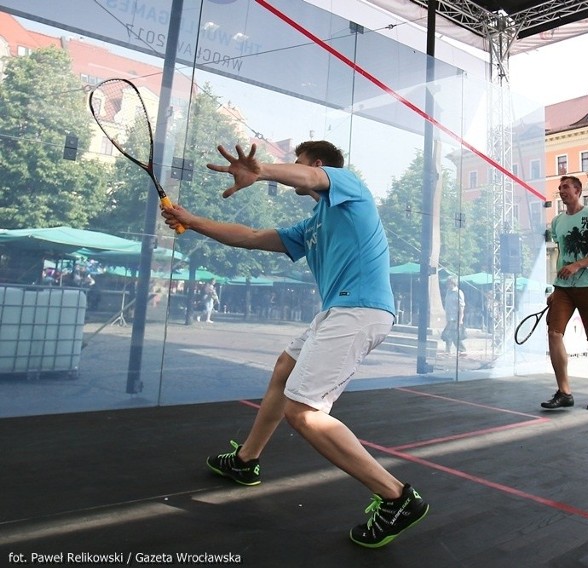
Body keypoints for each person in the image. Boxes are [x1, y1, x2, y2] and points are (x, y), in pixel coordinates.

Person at [161, 141, 428, 548]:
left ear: (318, 165)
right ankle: (245, 462)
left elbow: (308, 177)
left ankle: (396, 497)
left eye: (298, 162)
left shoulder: (348, 185)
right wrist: (192, 220)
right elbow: (250, 237)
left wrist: (261, 171)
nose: (296, 168)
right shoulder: (315, 223)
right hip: (337, 313)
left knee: (303, 412)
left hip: (359, 311)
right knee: (284, 369)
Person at [541, 175, 588, 411]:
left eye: (566, 187)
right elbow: (562, 255)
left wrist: (578, 265)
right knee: (554, 333)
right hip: (564, 288)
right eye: (559, 188)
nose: (561, 191)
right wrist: (555, 288)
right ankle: (564, 392)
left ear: (578, 191)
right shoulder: (557, 222)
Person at [441, 276, 466, 356]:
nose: (447, 285)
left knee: (452, 335)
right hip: (449, 317)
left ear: (453, 283)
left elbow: (461, 307)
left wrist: (460, 319)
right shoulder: (448, 291)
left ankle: (461, 350)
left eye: (449, 283)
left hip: (455, 317)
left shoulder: (458, 293)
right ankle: (450, 350)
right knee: (449, 335)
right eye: (447, 283)